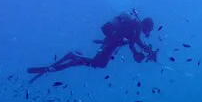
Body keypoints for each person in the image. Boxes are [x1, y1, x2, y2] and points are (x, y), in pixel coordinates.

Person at [27, 11, 158, 80]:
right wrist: (148, 51)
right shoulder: (137, 26)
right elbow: (136, 40)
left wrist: (136, 54)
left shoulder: (133, 27)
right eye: (149, 30)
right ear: (146, 25)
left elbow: (131, 44)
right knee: (99, 63)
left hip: (111, 42)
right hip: (111, 42)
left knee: (99, 63)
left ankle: (73, 60)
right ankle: (73, 56)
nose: (147, 33)